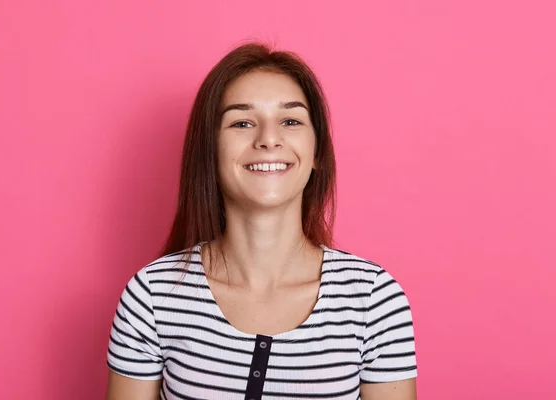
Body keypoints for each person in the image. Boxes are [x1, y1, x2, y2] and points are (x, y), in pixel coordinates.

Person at [105, 42, 417, 400]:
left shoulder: (373, 299)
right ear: (209, 150)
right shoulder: (152, 296)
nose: (269, 139)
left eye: (290, 121)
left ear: (316, 152)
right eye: (242, 122)